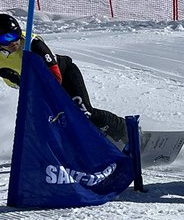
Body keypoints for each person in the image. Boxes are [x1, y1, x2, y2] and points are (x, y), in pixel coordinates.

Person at [0, 12, 128, 145]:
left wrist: (21, 80)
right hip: (39, 87)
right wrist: (20, 82)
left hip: (64, 74)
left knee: (83, 111)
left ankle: (124, 130)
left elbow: (55, 78)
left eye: (14, 35)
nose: (12, 42)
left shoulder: (32, 44)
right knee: (53, 121)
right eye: (5, 39)